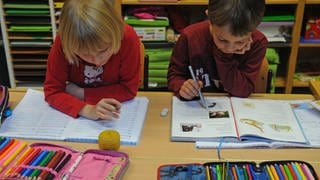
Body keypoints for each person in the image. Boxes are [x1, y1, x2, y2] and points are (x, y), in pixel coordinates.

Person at [44, 0, 141, 120]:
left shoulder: (127, 38)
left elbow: (129, 90)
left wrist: (80, 92)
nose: (96, 61)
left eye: (103, 51)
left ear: (116, 35)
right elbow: (52, 92)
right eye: (85, 54)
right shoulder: (64, 42)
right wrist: (86, 109)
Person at [167, 0, 268, 99]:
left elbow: (243, 90)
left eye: (240, 42)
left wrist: (224, 57)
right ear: (210, 18)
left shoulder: (258, 42)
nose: (229, 48)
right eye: (222, 39)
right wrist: (182, 87)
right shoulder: (190, 37)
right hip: (196, 107)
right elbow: (174, 76)